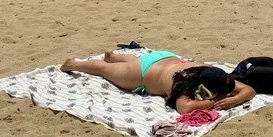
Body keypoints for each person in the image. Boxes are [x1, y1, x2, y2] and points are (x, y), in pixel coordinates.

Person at [60, 51, 256, 113]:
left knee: (131, 63)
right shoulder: (182, 85)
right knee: (104, 69)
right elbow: (185, 108)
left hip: (164, 57)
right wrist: (214, 102)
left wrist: (233, 100)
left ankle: (116, 56)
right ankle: (74, 64)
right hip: (144, 71)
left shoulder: (210, 72)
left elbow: (249, 90)